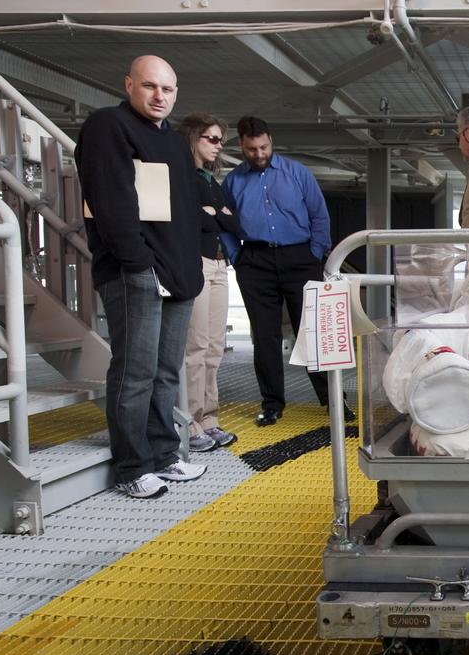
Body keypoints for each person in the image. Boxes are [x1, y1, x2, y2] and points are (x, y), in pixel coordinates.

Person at [75, 55, 208, 498]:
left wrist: (189, 268)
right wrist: (137, 262)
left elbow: (186, 211)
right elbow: (111, 200)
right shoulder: (108, 126)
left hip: (177, 271)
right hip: (135, 271)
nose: (159, 96)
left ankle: (165, 455)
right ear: (129, 84)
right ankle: (132, 466)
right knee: (135, 371)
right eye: (150, 86)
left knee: (166, 372)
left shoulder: (175, 143)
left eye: (167, 89)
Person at [222, 116, 332, 426]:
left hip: (300, 258)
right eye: (251, 149)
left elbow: (319, 216)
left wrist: (314, 254)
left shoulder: (298, 173)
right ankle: (271, 404)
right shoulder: (233, 181)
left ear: (271, 140)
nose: (259, 154)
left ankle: (332, 400)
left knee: (312, 332)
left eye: (263, 147)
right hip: (254, 261)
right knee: (264, 336)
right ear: (241, 146)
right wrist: (237, 256)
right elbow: (224, 224)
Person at [178, 113, 242, 452]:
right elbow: (192, 219)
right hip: (197, 263)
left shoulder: (212, 182)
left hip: (220, 265)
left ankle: (209, 420)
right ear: (193, 138)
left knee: (215, 348)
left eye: (221, 140)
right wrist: (217, 215)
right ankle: (190, 424)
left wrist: (214, 214)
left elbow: (235, 223)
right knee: (197, 347)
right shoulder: (181, 176)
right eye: (212, 139)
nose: (218, 146)